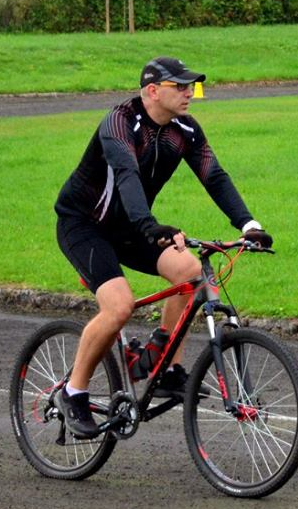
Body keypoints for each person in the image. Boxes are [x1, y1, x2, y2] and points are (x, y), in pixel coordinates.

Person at [50, 57, 271, 439]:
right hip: (84, 224)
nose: (189, 93)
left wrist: (249, 224)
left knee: (191, 273)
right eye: (180, 87)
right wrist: (150, 227)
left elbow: (213, 175)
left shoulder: (184, 129)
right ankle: (73, 393)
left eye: (192, 87)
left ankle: (167, 368)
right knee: (118, 306)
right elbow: (126, 175)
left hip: (131, 225)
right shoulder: (120, 122)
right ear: (153, 91)